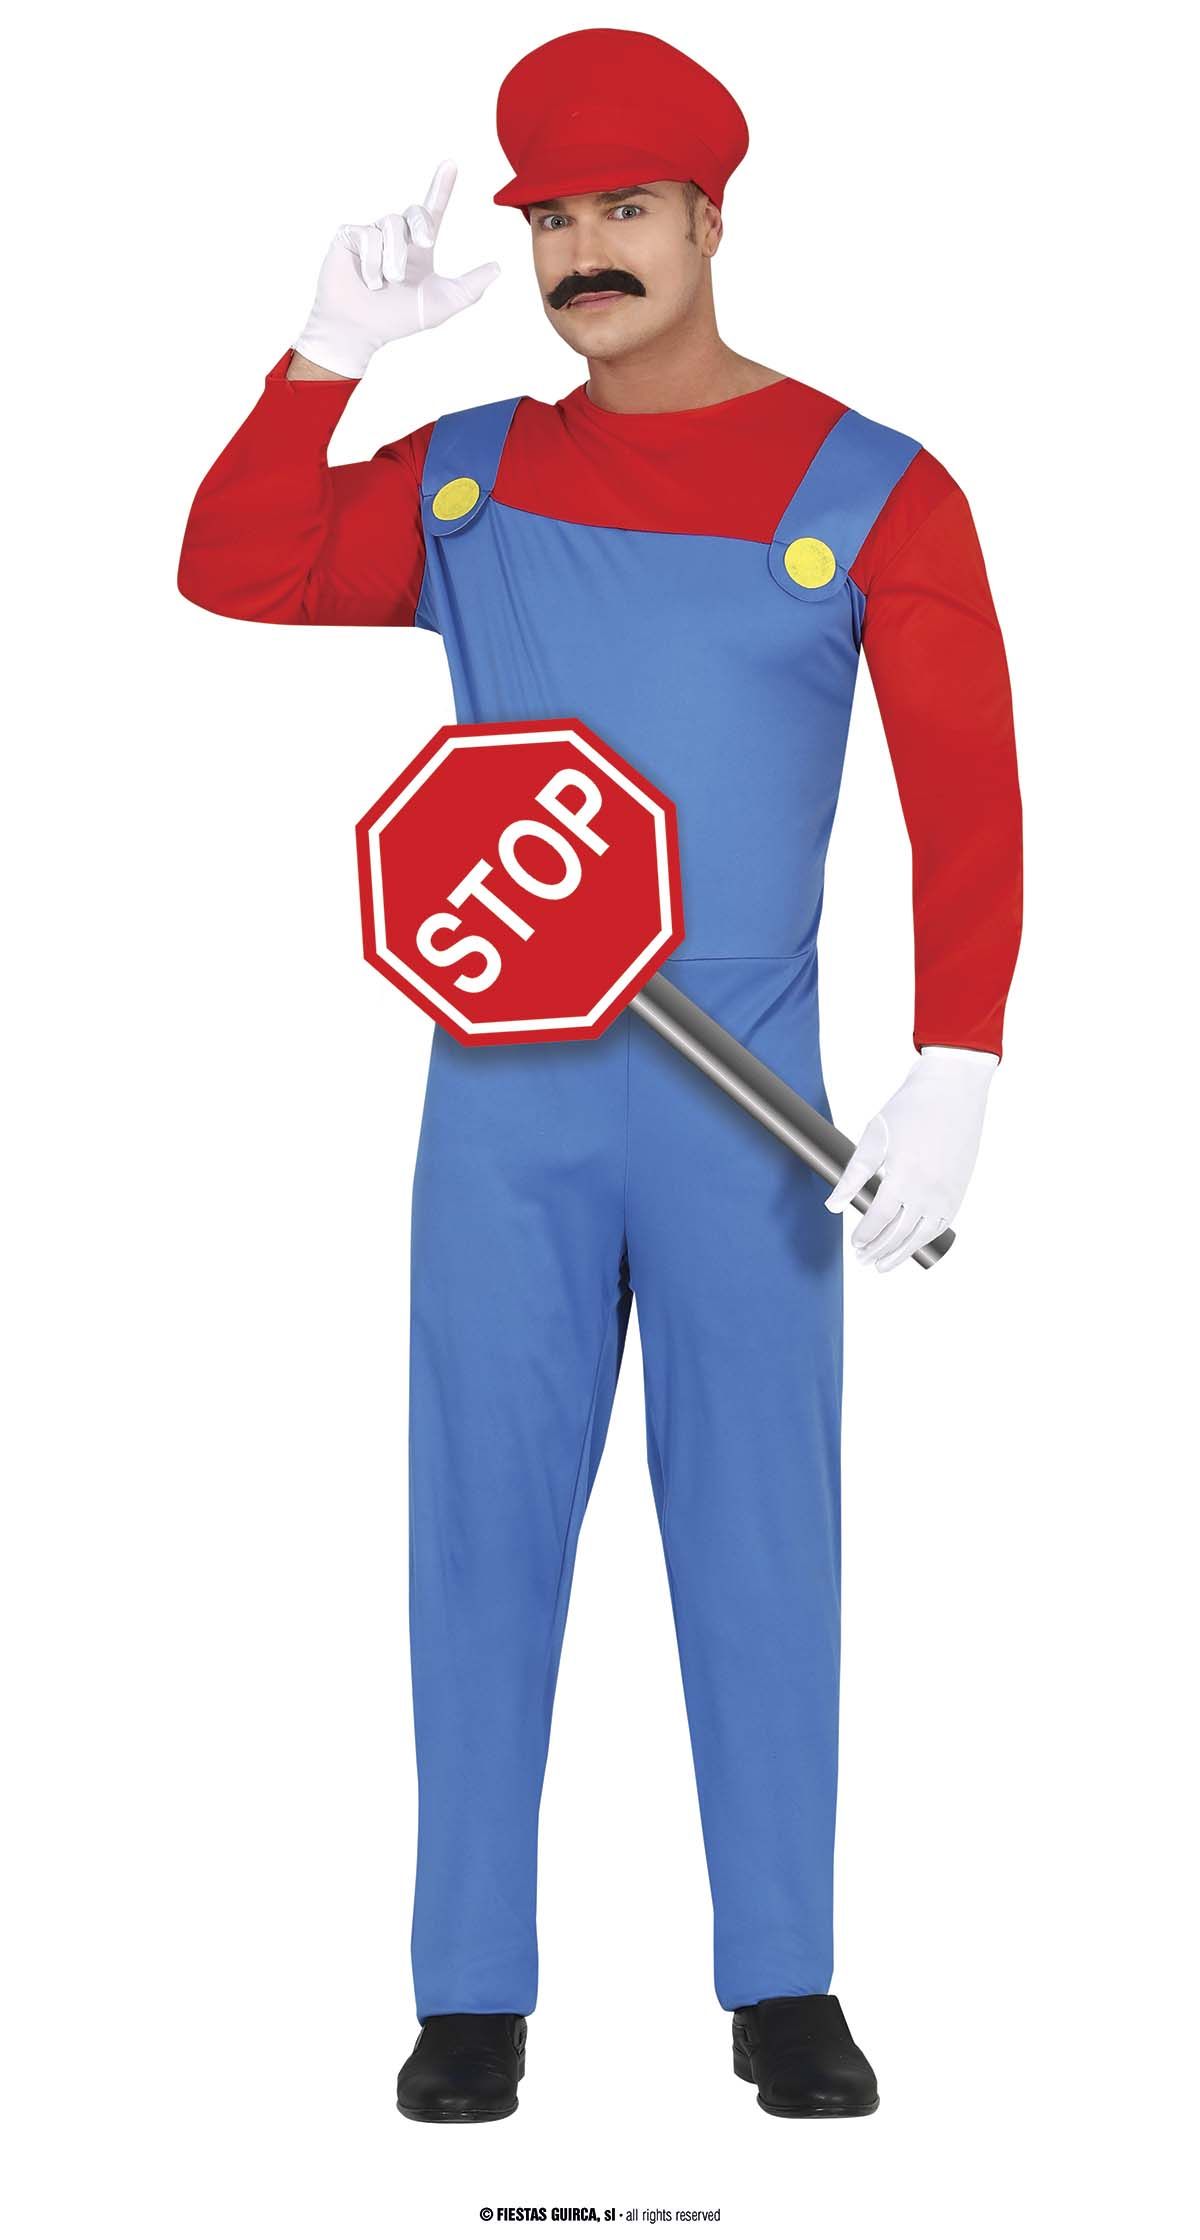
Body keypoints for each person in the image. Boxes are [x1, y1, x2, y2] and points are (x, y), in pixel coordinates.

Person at [177, 27, 1023, 2124]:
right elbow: (236, 565)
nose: (584, 252)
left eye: (624, 209)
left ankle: (785, 1981)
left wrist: (958, 1058)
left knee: (761, 1528)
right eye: (553, 217)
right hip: (507, 1093)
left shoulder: (874, 486)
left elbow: (967, 795)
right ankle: (468, 1990)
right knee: (477, 1523)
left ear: (711, 221)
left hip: (751, 1094)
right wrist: (320, 360)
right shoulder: (466, 479)